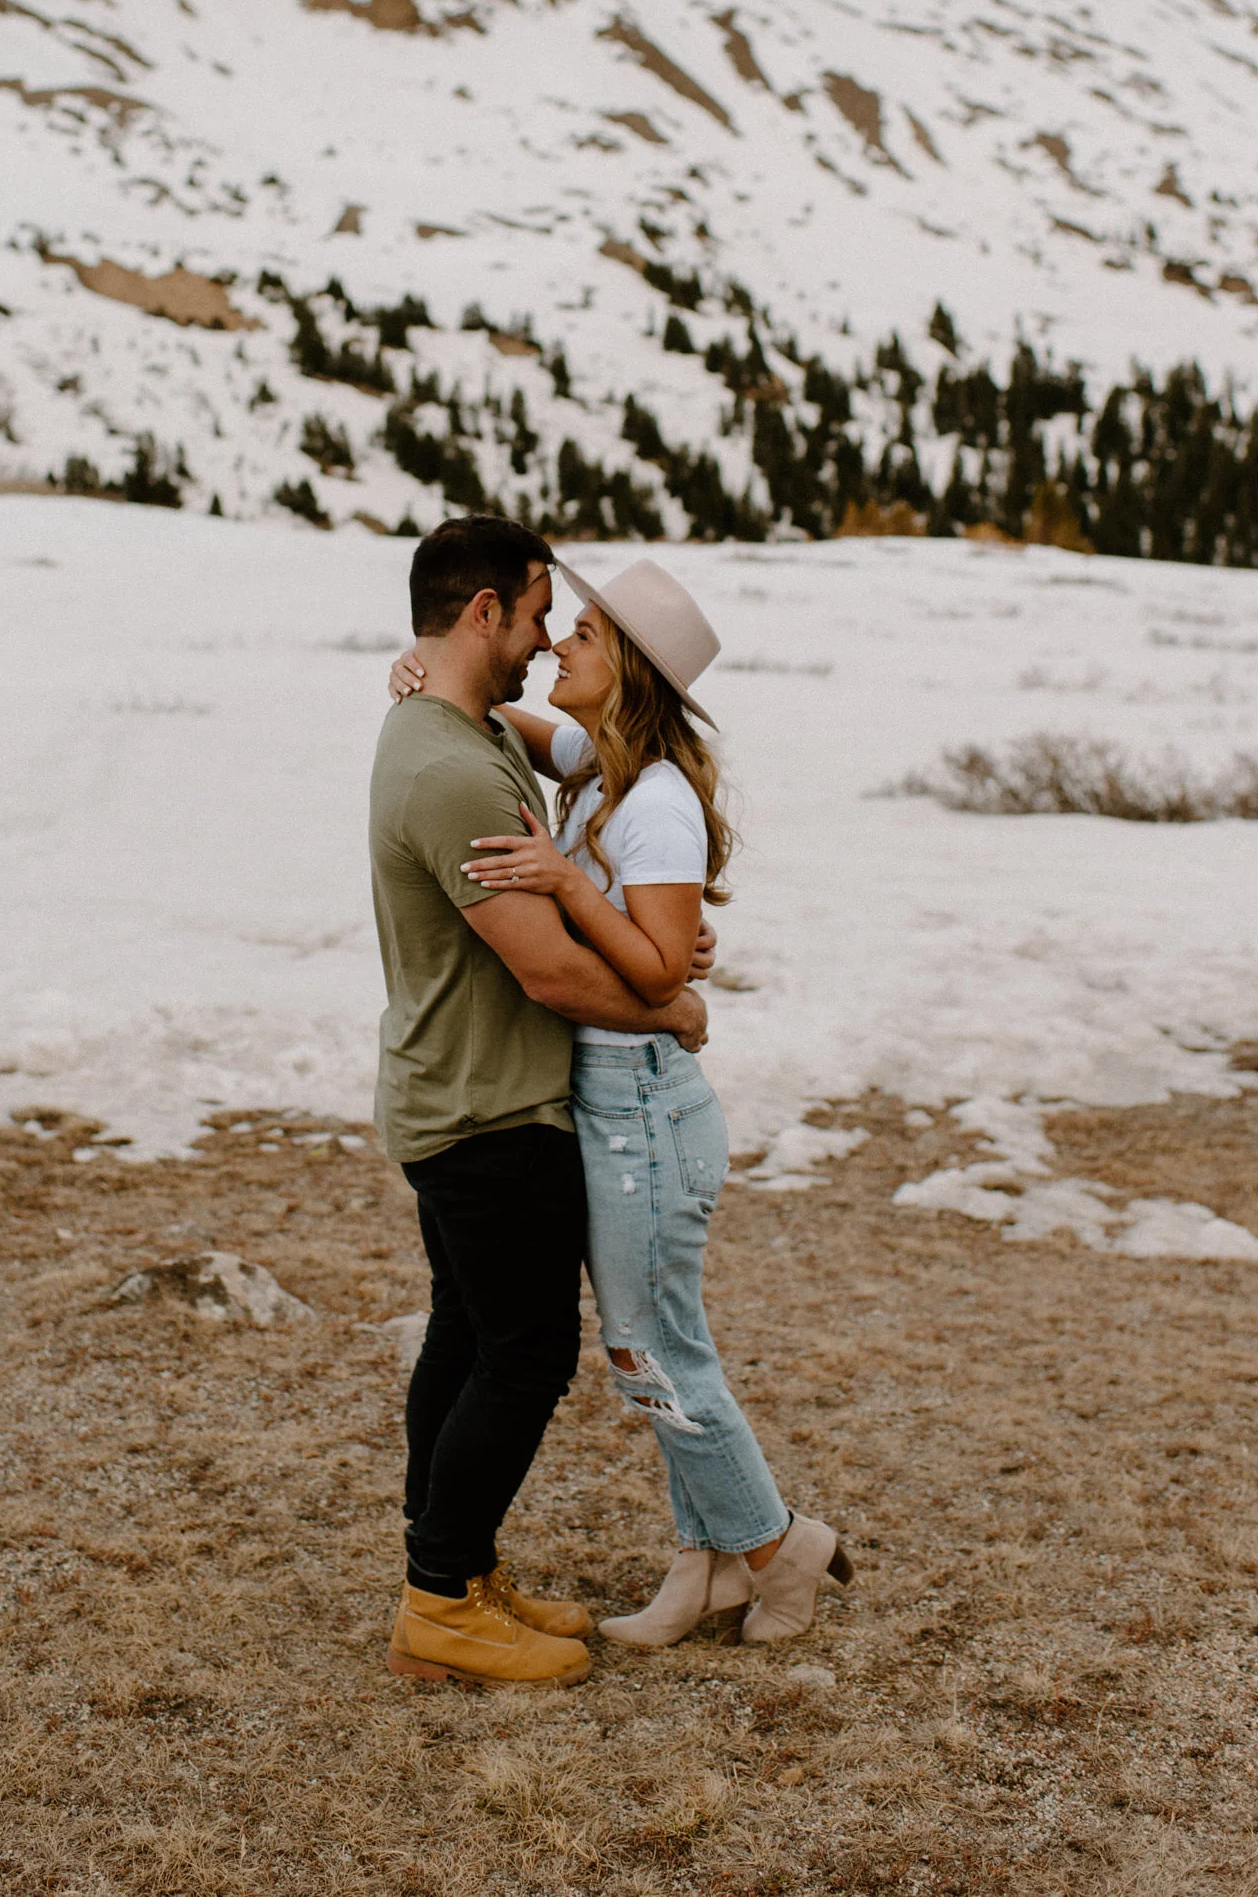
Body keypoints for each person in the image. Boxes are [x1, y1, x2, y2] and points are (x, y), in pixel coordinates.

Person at [391, 555, 852, 1649]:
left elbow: (656, 975)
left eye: (584, 637)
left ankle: (776, 1543)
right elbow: (503, 707)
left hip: (644, 1105)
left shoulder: (650, 804)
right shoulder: (600, 766)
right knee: (650, 1341)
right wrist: (426, 665)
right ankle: (705, 1569)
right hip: (608, 1100)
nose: (557, 644)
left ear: (629, 675)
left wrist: (558, 882)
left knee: (653, 1349)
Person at [369, 516, 712, 1689]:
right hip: (487, 1106)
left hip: (462, 1090)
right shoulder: (451, 761)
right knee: (522, 1349)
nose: (538, 639)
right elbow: (550, 971)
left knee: (469, 1333)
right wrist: (664, 1003)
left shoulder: (450, 729)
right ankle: (439, 1602)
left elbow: (572, 754)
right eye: (529, 614)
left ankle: (453, 1575)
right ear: (481, 614)